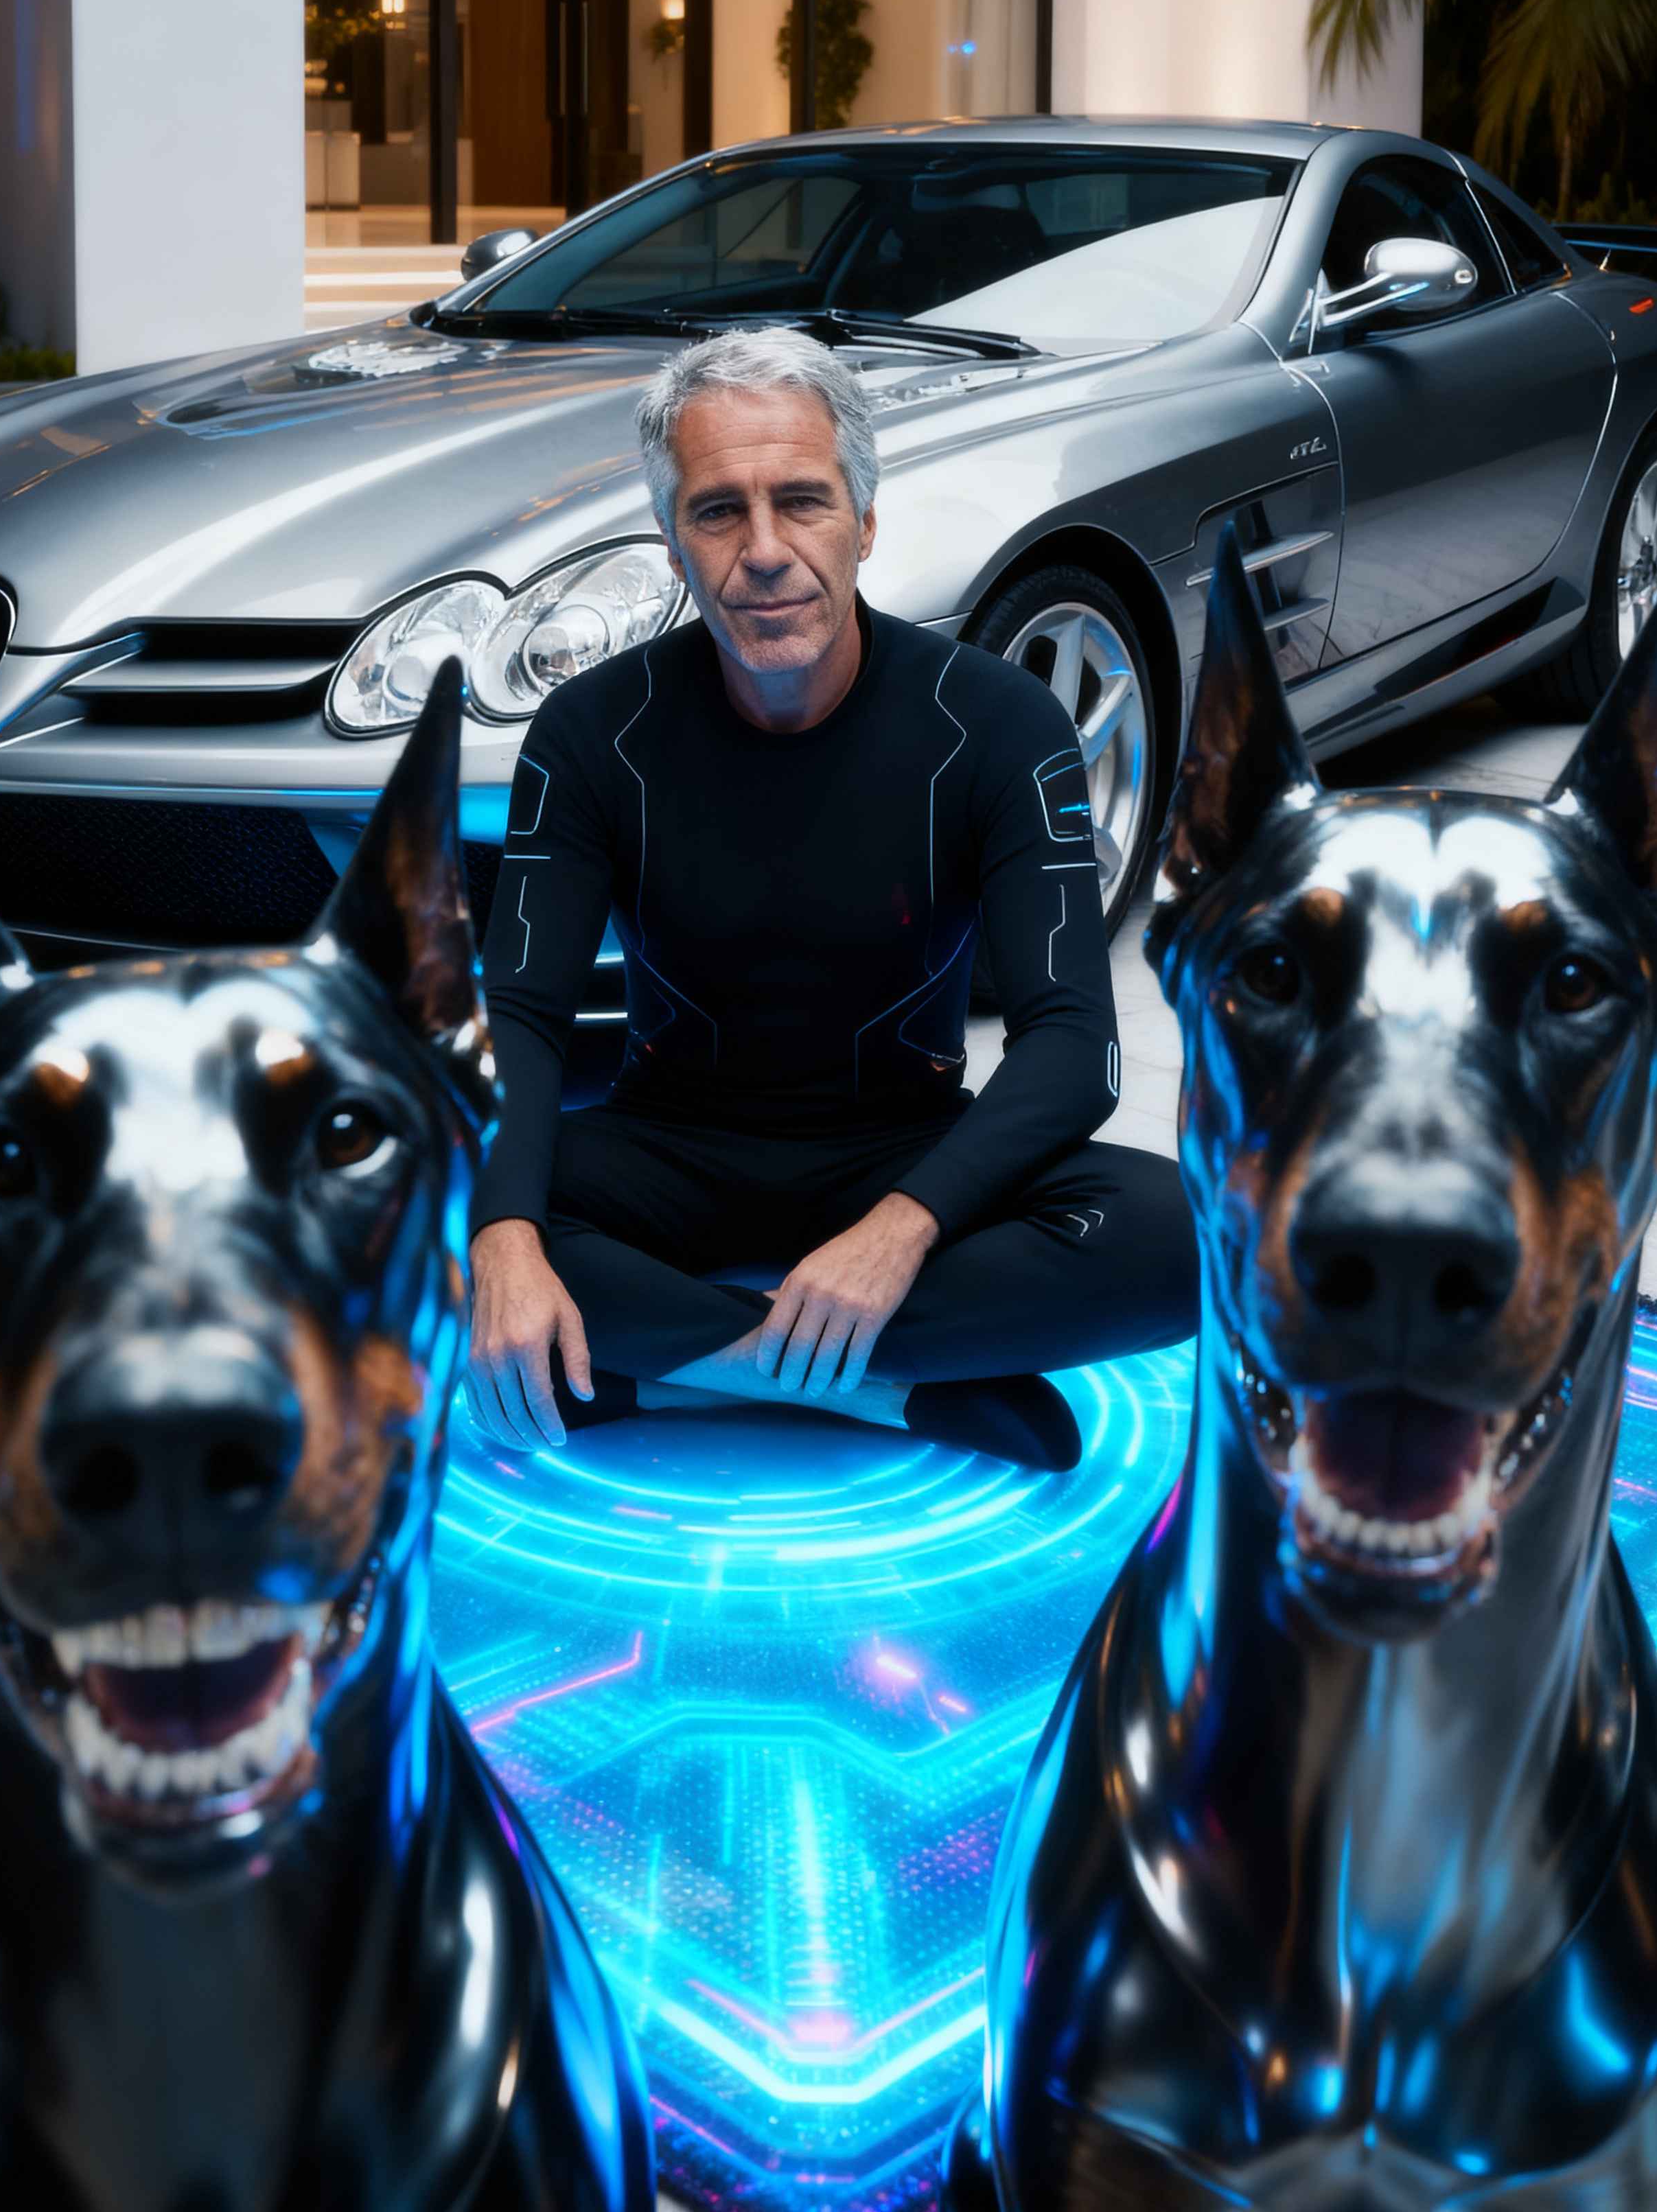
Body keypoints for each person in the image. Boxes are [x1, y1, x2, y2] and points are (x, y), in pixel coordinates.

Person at [464, 329, 1197, 1473]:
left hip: (900, 1145)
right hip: (670, 1149)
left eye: (802, 502)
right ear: (671, 544)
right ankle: (868, 1389)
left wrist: (904, 1231)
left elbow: (1073, 1051)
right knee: (408, 1198)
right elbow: (519, 1016)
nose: (764, 551)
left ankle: (664, 1370)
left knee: (1197, 1236)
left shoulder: (998, 723)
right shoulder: (590, 732)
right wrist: (505, 1238)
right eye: (717, 512)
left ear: (863, 521)